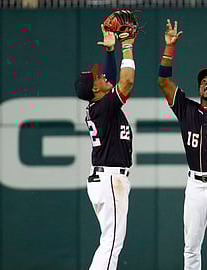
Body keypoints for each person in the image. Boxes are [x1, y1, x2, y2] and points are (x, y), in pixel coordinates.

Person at [157, 19, 207, 270]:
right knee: (191, 246)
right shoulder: (186, 109)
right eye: (203, 81)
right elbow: (164, 83)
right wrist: (169, 48)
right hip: (195, 184)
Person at [75, 25, 136, 270]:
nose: (102, 78)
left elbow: (111, 81)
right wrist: (127, 46)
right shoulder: (103, 107)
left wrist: (110, 53)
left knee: (110, 241)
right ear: (94, 90)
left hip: (106, 178)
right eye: (98, 79)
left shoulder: (99, 104)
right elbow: (126, 81)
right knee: (111, 243)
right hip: (110, 179)